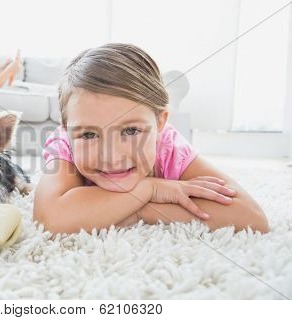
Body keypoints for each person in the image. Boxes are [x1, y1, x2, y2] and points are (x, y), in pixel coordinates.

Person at [33, 43, 269, 235]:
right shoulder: (65, 145)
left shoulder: (168, 147)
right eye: (89, 134)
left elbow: (251, 218)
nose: (112, 156)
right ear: (66, 130)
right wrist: (149, 189)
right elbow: (49, 220)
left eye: (131, 131)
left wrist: (140, 211)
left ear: (160, 123)